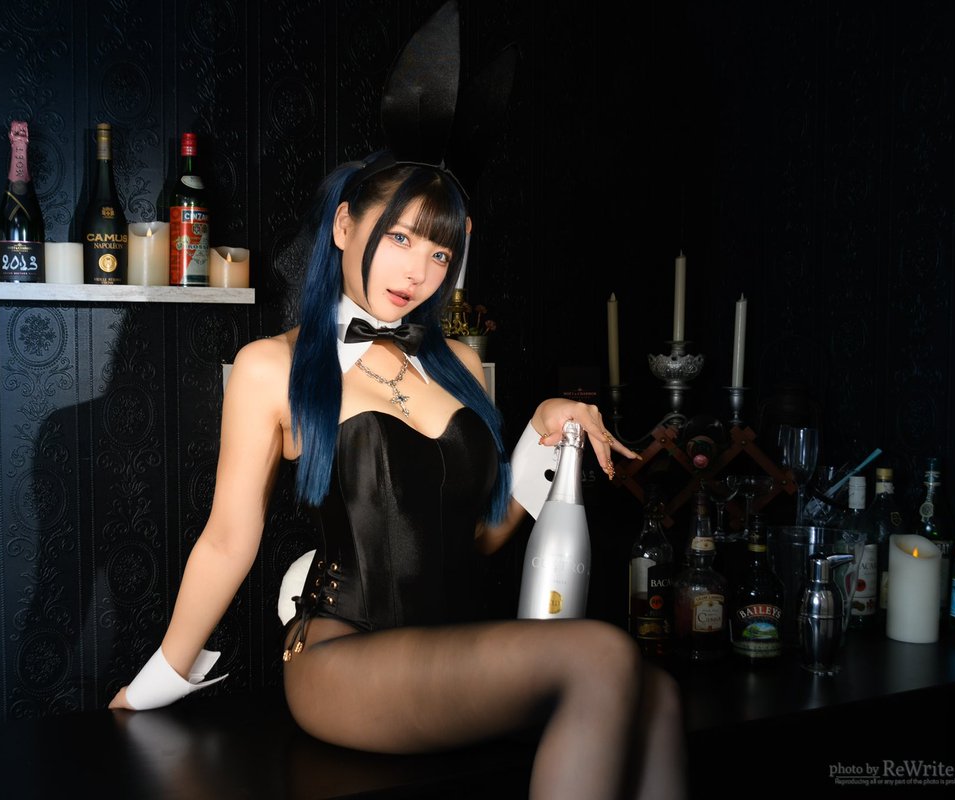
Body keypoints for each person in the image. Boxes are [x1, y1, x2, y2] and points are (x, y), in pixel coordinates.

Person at [108, 150, 688, 799]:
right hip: (342, 657)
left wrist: (541, 434)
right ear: (344, 226)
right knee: (602, 654)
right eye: (402, 238)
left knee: (656, 692)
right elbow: (226, 541)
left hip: (454, 647)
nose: (419, 272)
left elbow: (484, 536)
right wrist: (157, 681)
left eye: (440, 253)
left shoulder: (460, 364)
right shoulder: (271, 367)